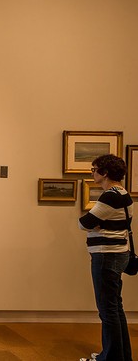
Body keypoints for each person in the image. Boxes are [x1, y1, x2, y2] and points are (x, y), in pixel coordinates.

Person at [79, 154, 133, 361]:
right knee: (115, 308)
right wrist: (96, 223)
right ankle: (120, 355)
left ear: (105, 172)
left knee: (107, 310)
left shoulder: (110, 196)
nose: (92, 173)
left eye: (94, 169)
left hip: (106, 256)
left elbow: (84, 222)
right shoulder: (123, 193)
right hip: (119, 254)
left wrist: (94, 224)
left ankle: (109, 358)